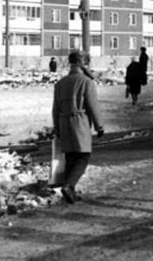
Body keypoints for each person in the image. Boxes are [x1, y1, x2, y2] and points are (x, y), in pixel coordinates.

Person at [52, 50, 104, 204]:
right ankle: (68, 186)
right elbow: (93, 106)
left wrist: (57, 128)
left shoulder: (60, 83)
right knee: (83, 156)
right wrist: (99, 126)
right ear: (85, 64)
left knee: (70, 156)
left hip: (64, 121)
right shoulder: (86, 82)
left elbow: (55, 109)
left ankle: (69, 192)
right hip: (80, 121)